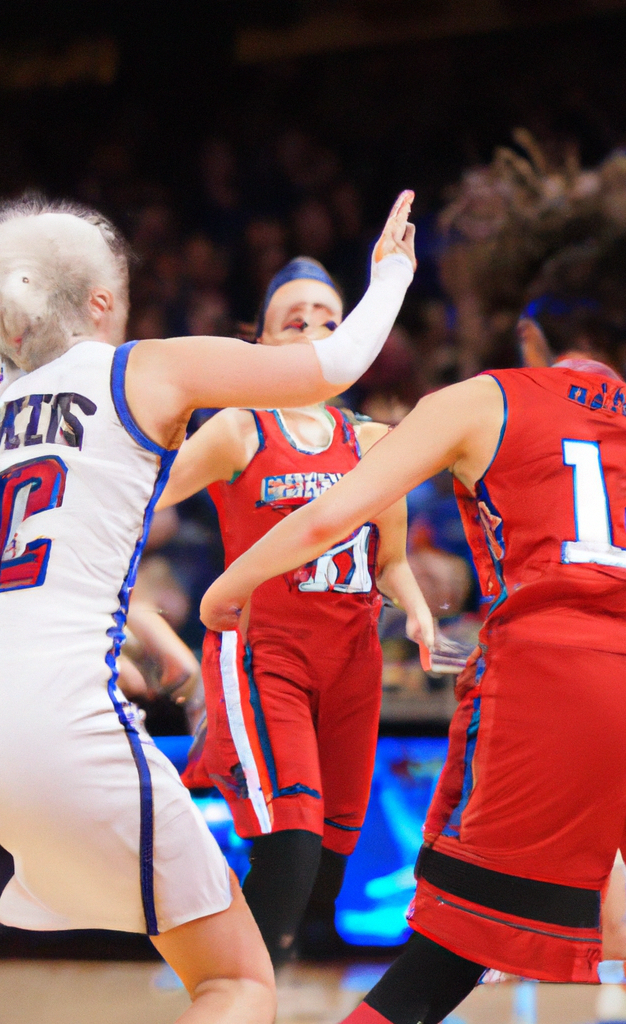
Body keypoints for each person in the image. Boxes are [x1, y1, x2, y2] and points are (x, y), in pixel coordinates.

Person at [201, 337, 626, 1024]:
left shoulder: (489, 396)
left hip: (566, 680)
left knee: (444, 959)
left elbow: (328, 514)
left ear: (540, 347)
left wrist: (228, 586)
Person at [0, 190, 416, 1024]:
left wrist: (143, 628)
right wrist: (393, 276)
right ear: (104, 301)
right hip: (65, 721)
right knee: (237, 983)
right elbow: (334, 368)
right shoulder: (145, 367)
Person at [156, 258, 433, 966]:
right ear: (262, 344)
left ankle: (243, 981)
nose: (314, 332)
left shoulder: (375, 440)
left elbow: (392, 558)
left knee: (327, 869)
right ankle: (232, 991)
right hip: (263, 654)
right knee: (291, 844)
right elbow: (140, 504)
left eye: (329, 322)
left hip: (355, 661)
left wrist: (422, 613)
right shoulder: (236, 430)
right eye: (295, 321)